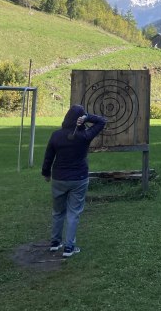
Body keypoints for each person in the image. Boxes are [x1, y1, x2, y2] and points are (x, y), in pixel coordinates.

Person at [42, 105, 106, 257]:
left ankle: (55, 243)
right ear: (80, 119)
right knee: (73, 213)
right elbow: (102, 121)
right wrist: (87, 117)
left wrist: (46, 173)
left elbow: (48, 156)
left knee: (58, 212)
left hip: (59, 178)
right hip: (79, 179)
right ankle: (69, 247)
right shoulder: (85, 136)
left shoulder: (56, 135)